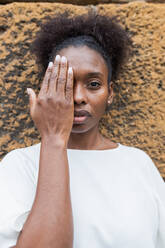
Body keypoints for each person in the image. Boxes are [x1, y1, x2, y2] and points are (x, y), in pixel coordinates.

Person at [0, 12, 165, 248]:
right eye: (65, 84)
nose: (78, 97)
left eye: (94, 85)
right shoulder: (19, 166)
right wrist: (54, 139)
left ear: (110, 93)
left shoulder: (139, 165)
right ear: (47, 91)